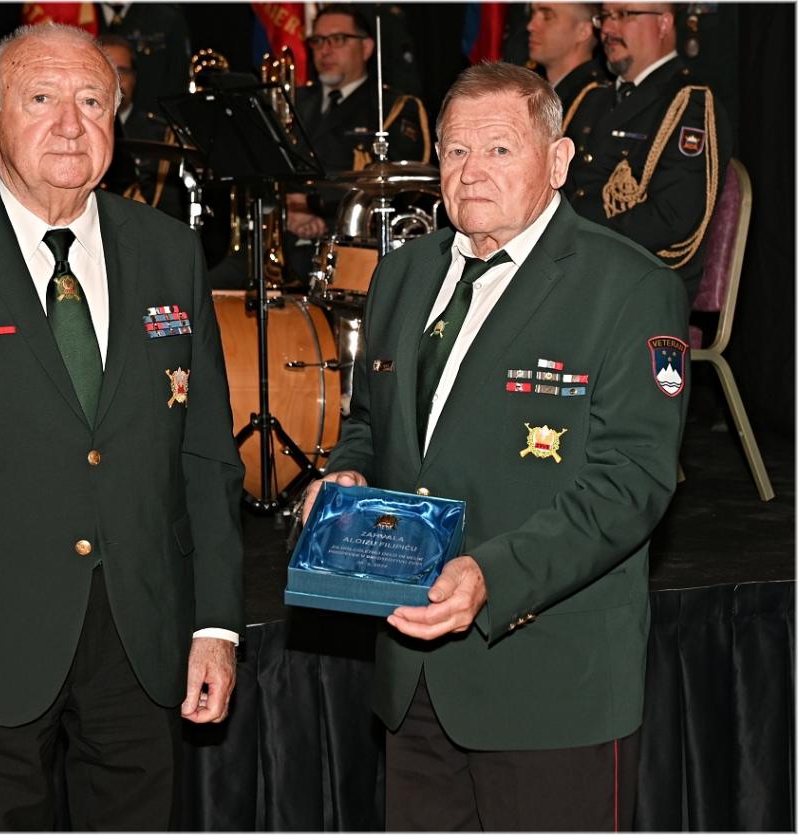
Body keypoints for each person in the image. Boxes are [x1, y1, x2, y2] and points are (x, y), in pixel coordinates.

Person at [0, 23, 243, 831]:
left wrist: (215, 624)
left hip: (143, 642)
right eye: (41, 98)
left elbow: (206, 459)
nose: (70, 124)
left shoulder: (168, 250)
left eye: (92, 101)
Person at [302, 62, 689, 830]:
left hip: (551, 689)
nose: (471, 171)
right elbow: (371, 421)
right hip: (413, 681)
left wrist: (491, 575)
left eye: (500, 149)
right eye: (454, 151)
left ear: (559, 160)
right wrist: (347, 472)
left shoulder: (628, 288)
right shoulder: (402, 275)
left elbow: (631, 482)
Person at [563, 2, 731, 301]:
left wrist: (573, 241)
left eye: (624, 15)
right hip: (576, 269)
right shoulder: (592, 96)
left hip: (637, 285)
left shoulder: (688, 104)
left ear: (663, 24)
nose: (608, 29)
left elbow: (671, 219)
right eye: (605, 17)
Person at [287, 4, 430, 246]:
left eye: (338, 39)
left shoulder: (393, 107)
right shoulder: (292, 101)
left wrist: (307, 205)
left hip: (352, 241)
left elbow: (403, 186)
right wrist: (289, 206)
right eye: (318, 41)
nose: (325, 50)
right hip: (283, 234)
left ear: (366, 48)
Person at [99, 33, 188, 220]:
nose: (116, 80)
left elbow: (170, 212)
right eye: (107, 70)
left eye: (122, 71)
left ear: (135, 78)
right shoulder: (72, 130)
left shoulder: (161, 135)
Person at [526, 2, 609, 117]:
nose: (530, 26)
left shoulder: (596, 100)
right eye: (532, 14)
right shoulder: (534, 88)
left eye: (547, 17)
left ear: (583, 31)